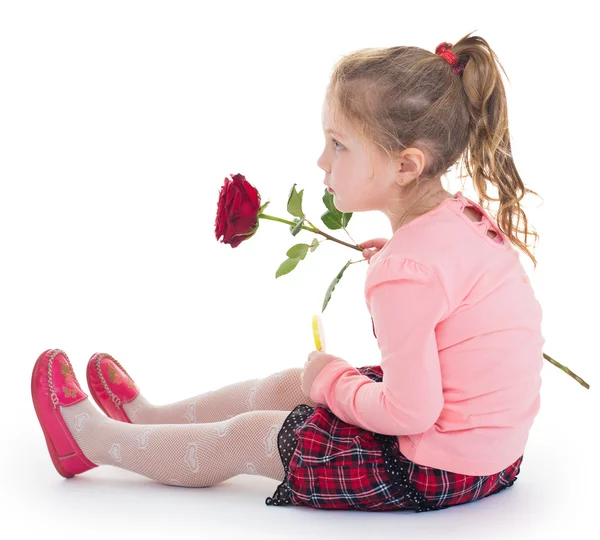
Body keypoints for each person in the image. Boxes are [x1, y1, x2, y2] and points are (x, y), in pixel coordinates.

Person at [31, 32, 545, 513]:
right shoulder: (462, 219)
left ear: (406, 166)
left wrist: (333, 380)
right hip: (493, 457)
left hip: (429, 465)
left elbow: (410, 415)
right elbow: (459, 299)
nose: (322, 161)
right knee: (291, 384)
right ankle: (147, 418)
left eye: (339, 145)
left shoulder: (406, 274)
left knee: (251, 434)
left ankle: (91, 444)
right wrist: (393, 263)